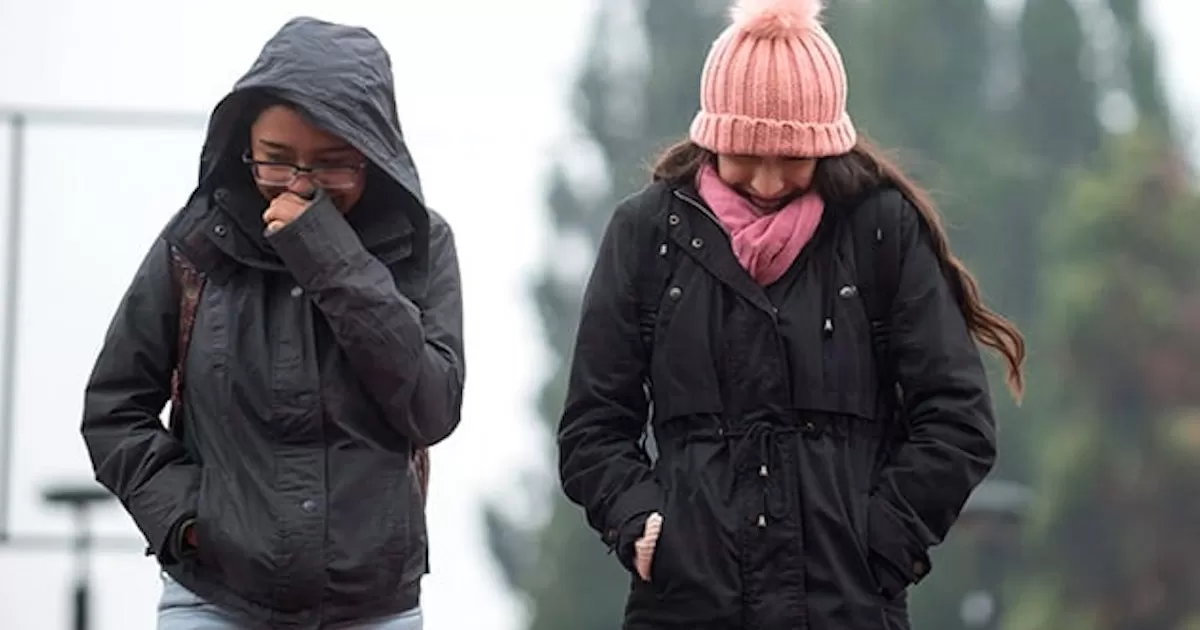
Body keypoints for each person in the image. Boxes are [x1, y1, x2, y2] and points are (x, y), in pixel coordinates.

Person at [556, 0, 1026, 628]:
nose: (770, 181)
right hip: (688, 608)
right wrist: (641, 524)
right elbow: (592, 428)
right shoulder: (647, 235)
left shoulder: (880, 231)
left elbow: (958, 420)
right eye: (747, 154)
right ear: (711, 138)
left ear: (828, 145)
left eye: (793, 156)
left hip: (847, 609)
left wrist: (881, 545)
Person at [80, 16, 464, 630]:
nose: (301, 186)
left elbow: (432, 406)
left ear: (375, 152)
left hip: (373, 607)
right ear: (244, 147)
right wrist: (187, 521)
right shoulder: (195, 242)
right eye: (276, 162)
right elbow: (113, 408)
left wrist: (330, 257)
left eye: (334, 164)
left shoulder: (422, 246)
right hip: (215, 599)